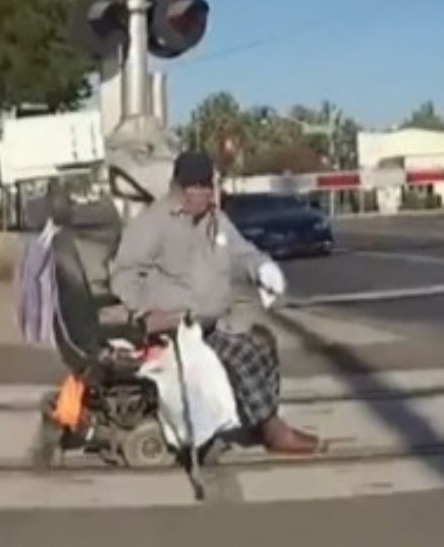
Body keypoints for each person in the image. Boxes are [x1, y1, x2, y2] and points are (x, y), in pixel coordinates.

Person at [109, 150, 324, 454]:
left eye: (206, 187)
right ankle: (273, 430)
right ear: (179, 189)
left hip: (211, 323)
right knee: (244, 356)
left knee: (263, 342)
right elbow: (124, 274)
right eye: (194, 188)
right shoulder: (153, 224)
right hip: (177, 328)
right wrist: (145, 311)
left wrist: (262, 268)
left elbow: (241, 252)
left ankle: (262, 420)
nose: (202, 195)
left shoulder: (216, 220)